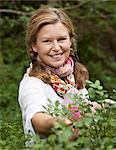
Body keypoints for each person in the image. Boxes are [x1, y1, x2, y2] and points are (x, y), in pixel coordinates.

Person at [18, 5, 89, 139]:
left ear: (70, 41)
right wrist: (57, 123)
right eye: (47, 41)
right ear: (34, 46)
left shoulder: (72, 77)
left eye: (61, 39)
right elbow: (38, 119)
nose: (56, 48)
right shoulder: (32, 83)